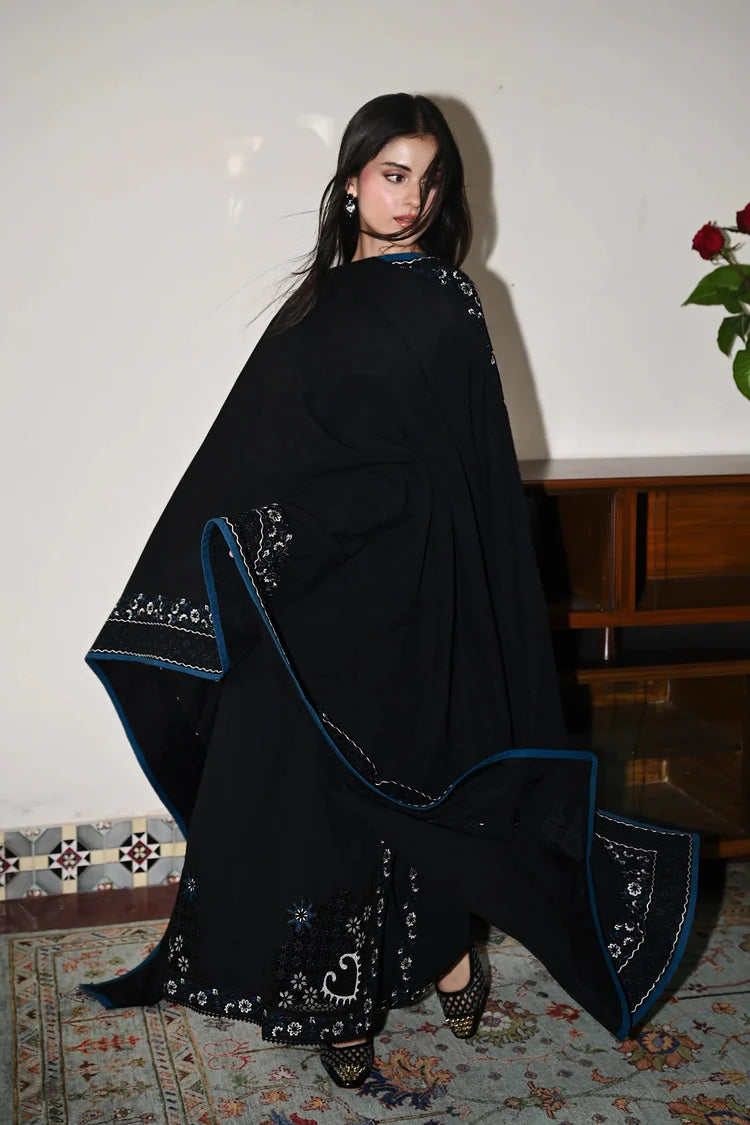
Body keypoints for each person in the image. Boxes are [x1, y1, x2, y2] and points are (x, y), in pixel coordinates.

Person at [80, 93, 699, 1089]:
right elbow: (253, 452)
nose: (412, 198)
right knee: (311, 795)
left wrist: (350, 518)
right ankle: (337, 1004)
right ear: (351, 182)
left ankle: (447, 952)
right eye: (393, 174)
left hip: (405, 590)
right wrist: (256, 539)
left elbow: (457, 470)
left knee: (415, 784)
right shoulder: (314, 305)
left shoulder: (447, 298)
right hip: (305, 594)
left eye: (429, 178)